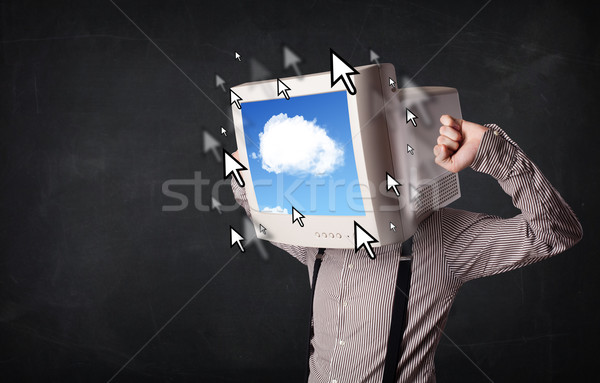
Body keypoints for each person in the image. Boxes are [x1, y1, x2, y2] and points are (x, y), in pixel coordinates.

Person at [230, 115, 583, 382]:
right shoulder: (319, 235)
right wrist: (250, 166)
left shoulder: (444, 236)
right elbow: (260, 210)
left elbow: (554, 233)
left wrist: (493, 153)